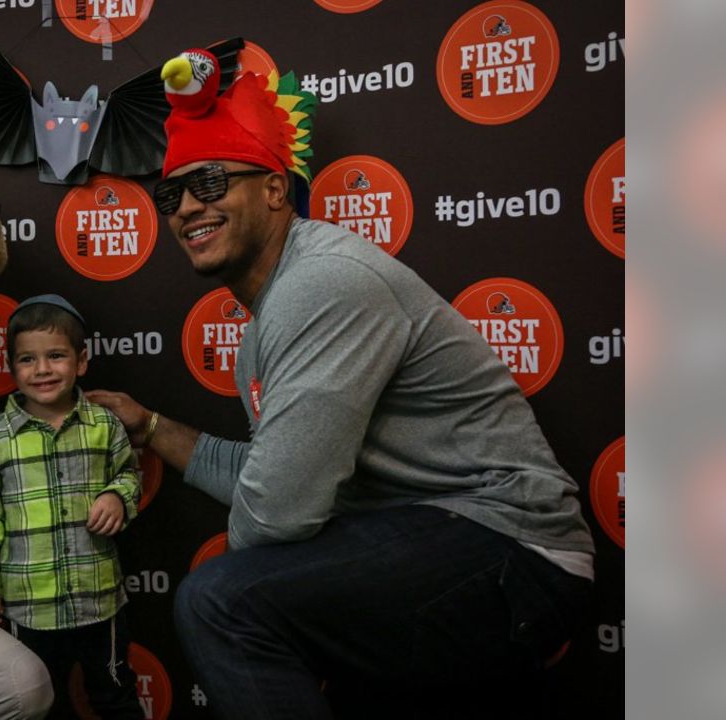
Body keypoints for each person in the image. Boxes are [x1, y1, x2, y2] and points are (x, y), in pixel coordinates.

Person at [85, 68, 596, 719]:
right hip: (430, 543)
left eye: (210, 182)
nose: (186, 207)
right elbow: (282, 474)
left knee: (223, 601)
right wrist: (153, 427)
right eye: (172, 194)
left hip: (514, 552)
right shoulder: (265, 325)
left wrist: (262, 593)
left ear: (275, 189)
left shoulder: (321, 283)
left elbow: (277, 513)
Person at [0, 294, 146, 719]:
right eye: (27, 359)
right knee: (35, 703)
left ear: (81, 361)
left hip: (99, 601)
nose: (42, 370)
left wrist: (118, 496)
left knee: (115, 695)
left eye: (56, 356)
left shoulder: (104, 425)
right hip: (28, 608)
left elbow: (130, 476)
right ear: (12, 367)